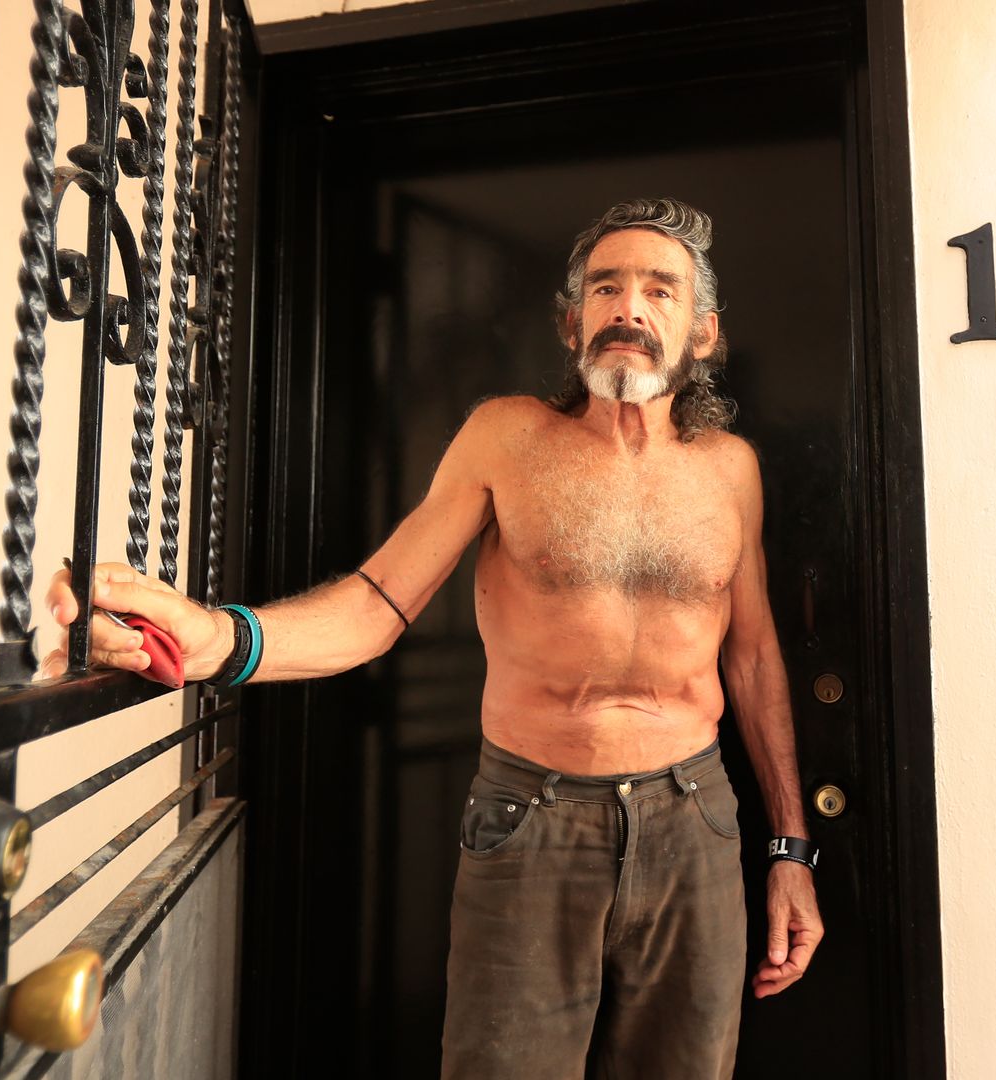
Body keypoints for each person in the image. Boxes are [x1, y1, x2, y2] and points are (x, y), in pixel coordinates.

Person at [43, 197, 821, 1077]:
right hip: (534, 817)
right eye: (605, 288)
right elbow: (379, 604)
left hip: (698, 821)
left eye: (659, 291)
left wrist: (788, 849)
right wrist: (215, 637)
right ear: (573, 322)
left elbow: (753, 659)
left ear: (704, 332)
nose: (629, 311)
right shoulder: (506, 437)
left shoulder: (732, 471)